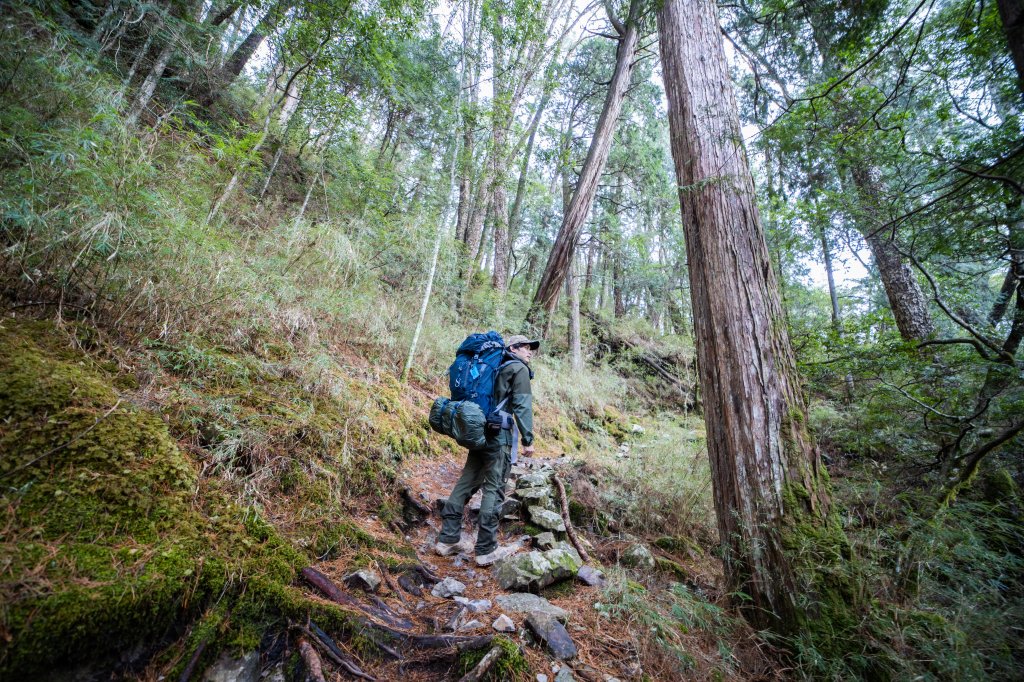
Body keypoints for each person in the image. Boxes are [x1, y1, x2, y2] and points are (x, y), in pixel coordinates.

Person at [434, 335, 539, 566]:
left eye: (532, 349)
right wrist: (528, 440)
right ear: (513, 348)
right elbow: (522, 405)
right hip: (499, 434)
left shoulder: (490, 365)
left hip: (480, 430)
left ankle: (447, 539)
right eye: (526, 348)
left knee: (466, 482)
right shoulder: (518, 369)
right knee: (494, 488)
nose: (530, 352)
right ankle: (486, 550)